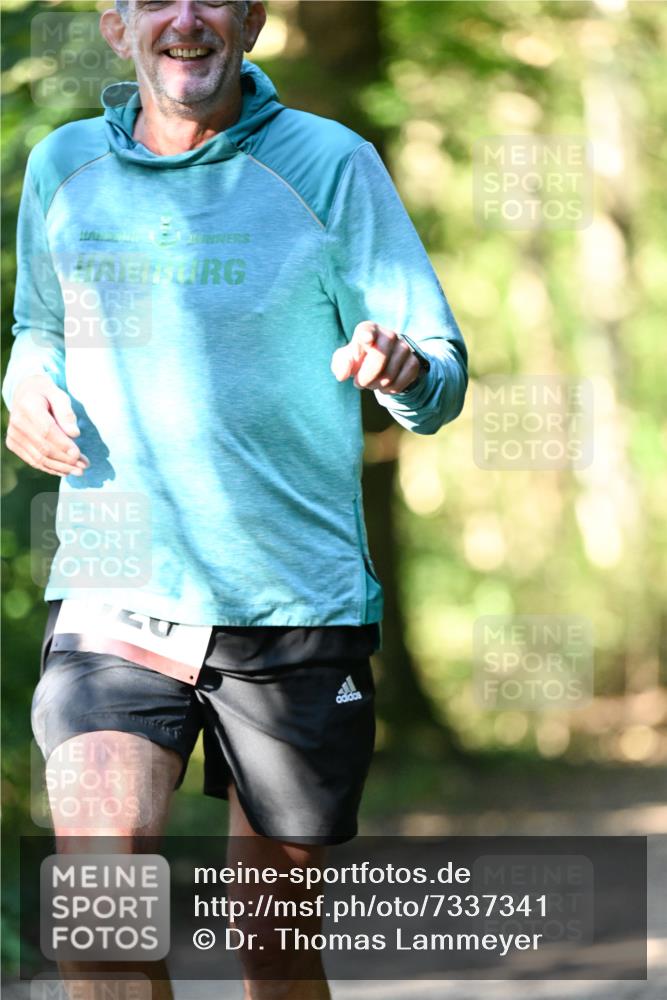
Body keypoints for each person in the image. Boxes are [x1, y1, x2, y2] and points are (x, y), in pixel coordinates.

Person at [3, 1, 468, 997]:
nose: (186, 15)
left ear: (251, 20)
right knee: (101, 921)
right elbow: (39, 324)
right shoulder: (63, 166)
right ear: (117, 24)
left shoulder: (330, 163)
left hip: (292, 607)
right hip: (116, 594)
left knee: (273, 946)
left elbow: (441, 373)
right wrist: (22, 380)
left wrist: (402, 367)